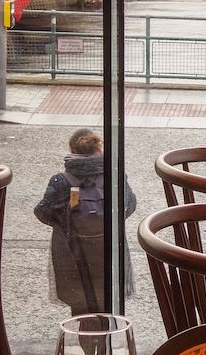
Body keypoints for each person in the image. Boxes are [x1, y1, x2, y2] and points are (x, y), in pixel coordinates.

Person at [33, 129, 138, 316]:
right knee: (111, 304)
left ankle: (85, 341)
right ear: (98, 148)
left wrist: (67, 223)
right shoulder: (114, 176)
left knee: (80, 311)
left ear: (72, 150)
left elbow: (42, 212)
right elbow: (129, 206)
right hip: (108, 251)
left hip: (73, 254)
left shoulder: (60, 181)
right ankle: (111, 339)